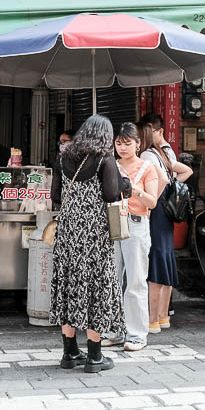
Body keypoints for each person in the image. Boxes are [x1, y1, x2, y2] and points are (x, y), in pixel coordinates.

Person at [49, 115, 125, 373]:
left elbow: (56, 196)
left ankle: (69, 353)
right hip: (94, 234)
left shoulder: (62, 159)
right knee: (96, 288)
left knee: (69, 285)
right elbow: (112, 194)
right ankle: (94, 357)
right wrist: (126, 183)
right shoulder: (105, 159)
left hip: (68, 231)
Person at [102, 122, 160, 352]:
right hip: (112, 222)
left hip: (136, 225)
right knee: (111, 279)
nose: (122, 148)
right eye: (118, 143)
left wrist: (133, 189)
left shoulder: (147, 168)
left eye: (127, 143)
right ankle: (113, 330)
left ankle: (136, 334)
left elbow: (152, 203)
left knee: (135, 281)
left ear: (138, 144)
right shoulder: (109, 165)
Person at [139, 123, 192, 334]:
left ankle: (152, 320)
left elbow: (160, 178)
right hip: (166, 213)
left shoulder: (146, 155)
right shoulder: (164, 153)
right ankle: (162, 317)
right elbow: (186, 171)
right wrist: (170, 188)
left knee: (157, 259)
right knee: (165, 257)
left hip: (157, 211)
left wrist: (154, 199)